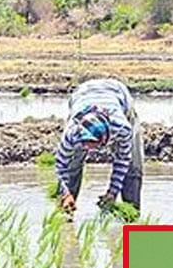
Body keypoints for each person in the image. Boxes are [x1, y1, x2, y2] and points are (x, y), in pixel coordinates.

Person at [54, 78, 143, 214]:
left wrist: (112, 192)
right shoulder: (73, 132)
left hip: (118, 94)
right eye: (85, 144)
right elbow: (61, 166)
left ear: (105, 138)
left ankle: (132, 217)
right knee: (72, 167)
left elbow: (122, 160)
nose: (89, 150)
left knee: (132, 168)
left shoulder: (122, 128)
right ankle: (66, 211)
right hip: (82, 94)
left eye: (93, 144)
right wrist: (65, 192)